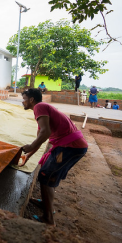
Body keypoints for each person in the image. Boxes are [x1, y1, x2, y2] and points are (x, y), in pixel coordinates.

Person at [20, 88, 88, 226]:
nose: (23, 102)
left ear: (31, 100)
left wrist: (31, 146)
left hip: (70, 147)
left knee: (46, 176)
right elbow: (42, 137)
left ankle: (49, 219)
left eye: (24, 99)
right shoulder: (42, 112)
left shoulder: (39, 107)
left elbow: (45, 133)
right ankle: (45, 203)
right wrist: (28, 156)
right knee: (47, 175)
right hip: (69, 146)